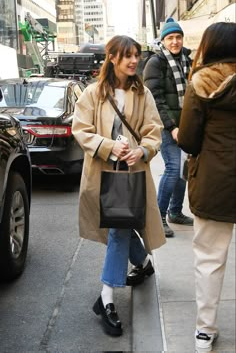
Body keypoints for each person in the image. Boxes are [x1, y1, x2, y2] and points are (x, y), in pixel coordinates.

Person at [72, 35, 166, 336]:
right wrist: (110, 147)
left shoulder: (143, 93)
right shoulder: (92, 93)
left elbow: (154, 131)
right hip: (102, 173)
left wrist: (142, 150)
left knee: (119, 229)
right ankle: (141, 263)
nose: (134, 60)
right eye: (127, 56)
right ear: (112, 57)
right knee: (120, 226)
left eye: (136, 55)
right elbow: (81, 130)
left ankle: (107, 298)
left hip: (132, 173)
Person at [178, 22, 236, 352]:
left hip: (215, 179)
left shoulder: (201, 82)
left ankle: (205, 331)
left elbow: (188, 140)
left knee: (210, 259)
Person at [143, 18, 193, 238]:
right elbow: (155, 98)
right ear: (163, 40)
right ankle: (158, 217)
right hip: (165, 125)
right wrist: (172, 126)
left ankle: (175, 211)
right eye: (170, 38)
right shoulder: (157, 62)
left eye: (178, 37)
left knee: (183, 171)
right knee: (173, 168)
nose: (175, 41)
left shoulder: (188, 61)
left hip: (186, 125)